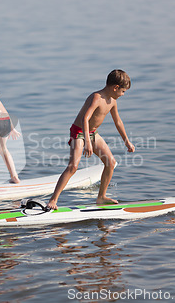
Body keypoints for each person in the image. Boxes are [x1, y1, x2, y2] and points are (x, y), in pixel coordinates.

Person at [47, 69, 135, 210]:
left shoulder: (112, 101)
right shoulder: (96, 97)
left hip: (92, 132)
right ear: (115, 87)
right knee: (73, 167)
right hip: (79, 132)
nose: (123, 95)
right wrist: (87, 142)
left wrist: (127, 141)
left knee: (110, 162)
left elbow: (118, 121)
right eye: (123, 91)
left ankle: (101, 197)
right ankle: (53, 200)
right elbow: (85, 118)